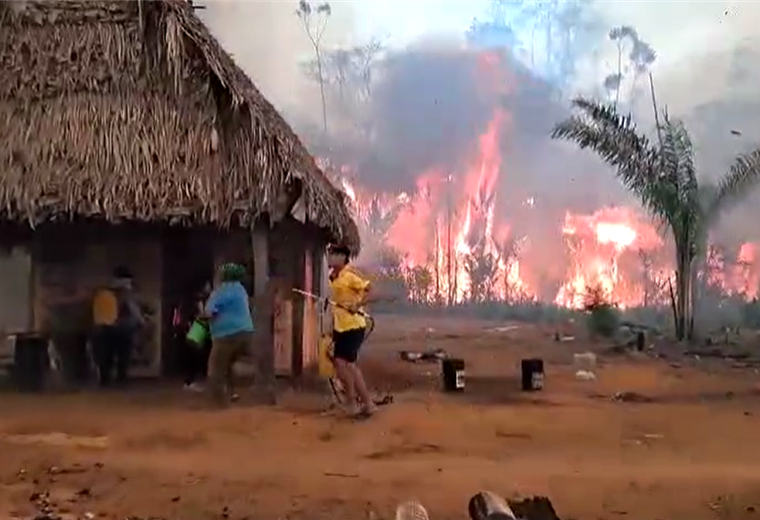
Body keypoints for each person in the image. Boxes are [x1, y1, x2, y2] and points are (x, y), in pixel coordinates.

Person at [327, 244, 376, 418]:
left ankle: (353, 402)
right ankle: (365, 403)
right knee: (348, 366)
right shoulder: (335, 277)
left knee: (343, 363)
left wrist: (358, 304)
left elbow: (370, 291)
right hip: (341, 326)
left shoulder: (350, 275)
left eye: (333, 255)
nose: (329, 258)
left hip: (354, 326)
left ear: (342, 257)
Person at [203, 263, 255, 407]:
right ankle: (233, 392)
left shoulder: (220, 291)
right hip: (246, 332)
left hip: (225, 334)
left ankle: (217, 402)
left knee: (216, 368)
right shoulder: (241, 289)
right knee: (230, 363)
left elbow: (209, 312)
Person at [91, 267, 145, 386]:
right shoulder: (123, 293)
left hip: (111, 328)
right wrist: (140, 322)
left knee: (111, 357)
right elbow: (134, 310)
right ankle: (117, 379)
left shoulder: (105, 292)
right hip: (117, 328)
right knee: (117, 356)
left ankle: (110, 379)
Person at [173, 279, 212, 392]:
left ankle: (194, 381)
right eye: (207, 285)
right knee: (192, 356)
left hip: (199, 330)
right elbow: (192, 317)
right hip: (193, 331)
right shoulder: (191, 302)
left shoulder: (199, 300)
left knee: (199, 356)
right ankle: (190, 381)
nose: (208, 288)